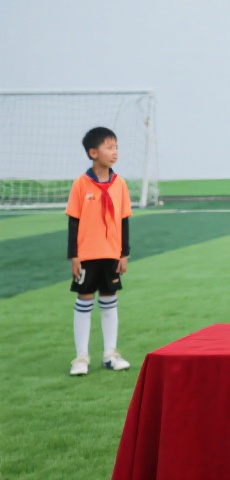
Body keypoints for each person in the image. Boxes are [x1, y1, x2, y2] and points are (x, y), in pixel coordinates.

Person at [66, 127, 132, 375]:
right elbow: (73, 221)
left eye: (116, 147)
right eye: (109, 147)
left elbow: (124, 220)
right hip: (86, 255)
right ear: (93, 153)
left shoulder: (120, 184)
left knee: (109, 300)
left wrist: (124, 253)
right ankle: (81, 357)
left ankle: (110, 354)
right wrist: (74, 256)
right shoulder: (81, 184)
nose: (115, 152)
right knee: (84, 300)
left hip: (111, 254)